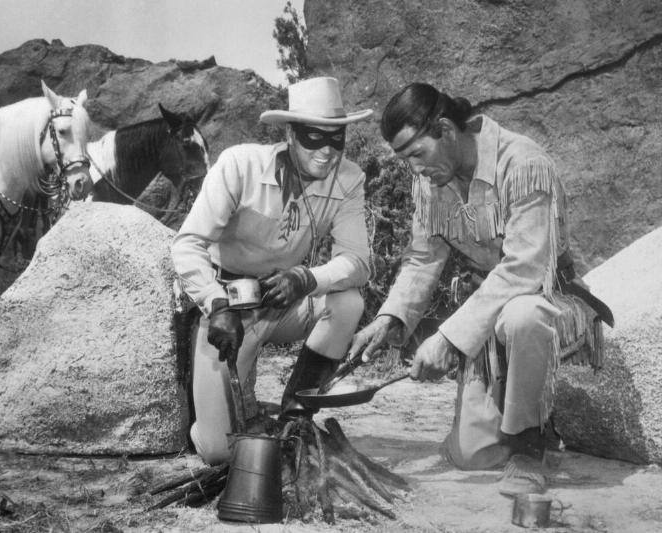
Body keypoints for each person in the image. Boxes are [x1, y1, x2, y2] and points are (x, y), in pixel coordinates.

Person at [349, 82, 609, 497]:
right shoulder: (432, 183)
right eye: (404, 159)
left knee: (522, 316)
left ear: (446, 130)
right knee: (472, 455)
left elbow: (525, 269)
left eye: (417, 154)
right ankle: (518, 405)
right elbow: (423, 259)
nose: (414, 169)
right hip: (487, 317)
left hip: (546, 299)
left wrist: (449, 339)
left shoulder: (524, 163)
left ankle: (529, 445)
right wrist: (390, 318)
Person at [171, 77, 373, 465]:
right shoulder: (240, 166)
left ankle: (296, 416)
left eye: (337, 138)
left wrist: (306, 278)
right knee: (218, 451)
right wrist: (215, 304)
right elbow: (187, 244)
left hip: (284, 302)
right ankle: (213, 405)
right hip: (229, 312)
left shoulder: (348, 179)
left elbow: (358, 261)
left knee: (348, 302)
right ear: (290, 134)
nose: (327, 150)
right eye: (314, 137)